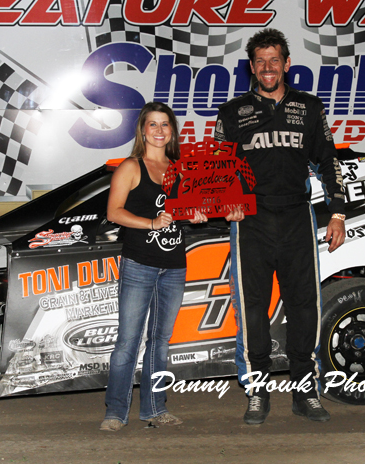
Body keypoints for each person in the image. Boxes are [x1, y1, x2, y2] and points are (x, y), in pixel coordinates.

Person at [214, 28, 346, 425]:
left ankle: (306, 391)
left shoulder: (308, 106)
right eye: (260, 61)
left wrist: (337, 213)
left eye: (275, 60)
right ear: (251, 67)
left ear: (286, 64)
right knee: (252, 309)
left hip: (296, 219)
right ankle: (257, 392)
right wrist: (226, 204)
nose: (268, 67)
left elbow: (328, 160)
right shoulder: (233, 111)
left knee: (305, 307)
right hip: (250, 222)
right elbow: (218, 170)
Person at [100, 101, 207, 432]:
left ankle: (155, 409)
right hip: (140, 264)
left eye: (165, 124)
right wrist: (150, 223)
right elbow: (114, 212)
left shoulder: (180, 168)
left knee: (160, 342)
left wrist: (196, 215)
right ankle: (115, 413)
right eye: (153, 124)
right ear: (143, 130)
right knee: (128, 341)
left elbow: (184, 210)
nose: (160, 130)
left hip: (174, 266)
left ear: (172, 131)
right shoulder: (131, 166)